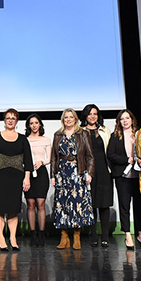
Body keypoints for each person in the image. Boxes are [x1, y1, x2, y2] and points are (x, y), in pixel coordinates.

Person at [0, 108, 33, 251]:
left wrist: (27, 178)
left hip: (16, 177)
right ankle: (0, 237)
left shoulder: (22, 139)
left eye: (13, 118)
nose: (10, 120)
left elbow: (28, 160)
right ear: (4, 120)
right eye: (8, 118)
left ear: (17, 121)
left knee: (13, 209)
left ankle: (13, 238)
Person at [50, 108, 94, 250]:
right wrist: (53, 175)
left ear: (75, 119)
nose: (68, 119)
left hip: (77, 171)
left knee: (77, 204)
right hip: (62, 172)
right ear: (63, 120)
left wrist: (90, 173)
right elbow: (54, 157)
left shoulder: (83, 134)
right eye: (66, 117)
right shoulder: (58, 134)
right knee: (62, 204)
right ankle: (64, 237)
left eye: (71, 117)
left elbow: (90, 156)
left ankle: (76, 236)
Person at [106, 109, 141, 250]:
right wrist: (127, 160)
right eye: (122, 119)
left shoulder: (139, 134)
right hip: (122, 176)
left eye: (127, 118)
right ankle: (127, 234)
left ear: (132, 119)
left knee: (139, 206)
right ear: (119, 122)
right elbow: (110, 155)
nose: (125, 121)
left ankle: (140, 233)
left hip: (139, 175)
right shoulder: (115, 136)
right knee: (124, 206)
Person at [81, 104, 113, 247]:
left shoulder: (105, 130)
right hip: (88, 171)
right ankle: (93, 235)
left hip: (104, 170)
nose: (92, 116)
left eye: (95, 114)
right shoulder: (80, 131)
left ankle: (105, 236)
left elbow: (110, 150)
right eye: (90, 114)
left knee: (104, 203)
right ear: (85, 116)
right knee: (91, 203)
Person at [24, 113, 50, 247]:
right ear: (28, 126)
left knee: (40, 203)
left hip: (41, 172)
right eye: (31, 123)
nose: (34, 125)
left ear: (40, 124)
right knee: (30, 203)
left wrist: (41, 162)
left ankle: (41, 233)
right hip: (28, 173)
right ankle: (33, 234)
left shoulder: (46, 140)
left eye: (36, 123)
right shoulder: (25, 140)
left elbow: (50, 158)